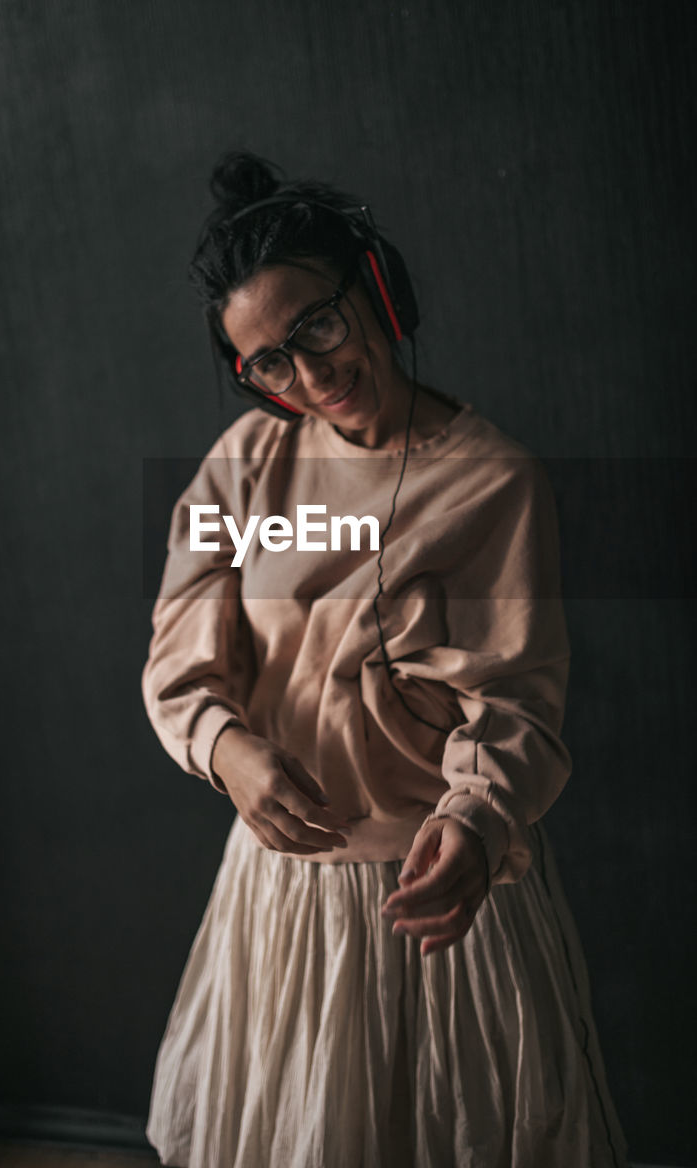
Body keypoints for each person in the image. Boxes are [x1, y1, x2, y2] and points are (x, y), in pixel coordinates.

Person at [141, 151, 628, 1168]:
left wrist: (474, 821)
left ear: (374, 285)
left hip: (437, 898)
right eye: (267, 360)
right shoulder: (243, 467)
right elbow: (182, 657)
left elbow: (516, 704)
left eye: (314, 323)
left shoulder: (492, 481)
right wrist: (230, 751)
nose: (309, 374)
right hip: (284, 899)